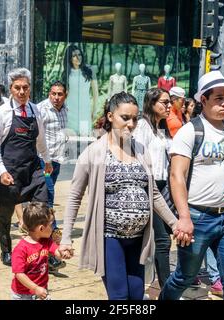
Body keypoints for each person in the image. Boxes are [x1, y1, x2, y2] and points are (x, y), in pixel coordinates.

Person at [59, 92, 186, 300]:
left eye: (135, 119)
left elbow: (153, 193)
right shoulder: (93, 153)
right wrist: (66, 239)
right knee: (119, 297)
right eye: (125, 118)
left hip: (138, 239)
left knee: (136, 296)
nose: (131, 124)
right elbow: (74, 197)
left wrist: (175, 223)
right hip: (110, 238)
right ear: (110, 116)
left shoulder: (141, 150)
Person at [159, 71, 224, 300]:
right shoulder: (189, 132)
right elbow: (177, 176)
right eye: (218, 98)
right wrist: (184, 217)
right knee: (185, 277)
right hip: (197, 217)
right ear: (203, 100)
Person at [0, 68, 52, 266]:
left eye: (25, 87)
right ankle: (6, 250)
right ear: (11, 89)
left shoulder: (35, 110)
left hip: (32, 169)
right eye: (18, 88)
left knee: (42, 208)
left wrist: (47, 160)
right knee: (6, 214)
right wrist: (2, 171)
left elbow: (40, 140)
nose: (22, 91)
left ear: (30, 88)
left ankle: (44, 251)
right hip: (9, 170)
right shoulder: (2, 112)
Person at [133, 88, 173, 290]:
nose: (169, 106)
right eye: (164, 102)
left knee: (163, 240)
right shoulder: (142, 126)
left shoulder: (161, 128)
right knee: (162, 241)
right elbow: (138, 158)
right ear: (151, 103)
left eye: (170, 102)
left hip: (165, 188)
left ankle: (161, 283)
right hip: (149, 187)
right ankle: (167, 288)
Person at [36, 80, 69, 271]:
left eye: (60, 94)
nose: (56, 97)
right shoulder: (41, 109)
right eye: (53, 93)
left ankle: (37, 230)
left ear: (65, 95)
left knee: (43, 200)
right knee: (48, 198)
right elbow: (37, 137)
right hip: (43, 161)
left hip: (56, 161)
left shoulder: (65, 110)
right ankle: (53, 242)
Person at [11, 202, 69, 300]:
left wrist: (64, 252)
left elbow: (57, 253)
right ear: (41, 228)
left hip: (41, 290)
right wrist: (35, 288)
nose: (52, 228)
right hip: (22, 295)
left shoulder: (47, 241)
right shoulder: (20, 249)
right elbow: (19, 274)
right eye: (51, 225)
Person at [62, 44, 98, 136]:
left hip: (85, 112)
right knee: (71, 143)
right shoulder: (66, 74)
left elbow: (95, 94)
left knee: (85, 139)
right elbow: (65, 95)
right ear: (69, 58)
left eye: (79, 55)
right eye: (74, 56)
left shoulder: (89, 71)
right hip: (70, 112)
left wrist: (94, 110)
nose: (78, 58)